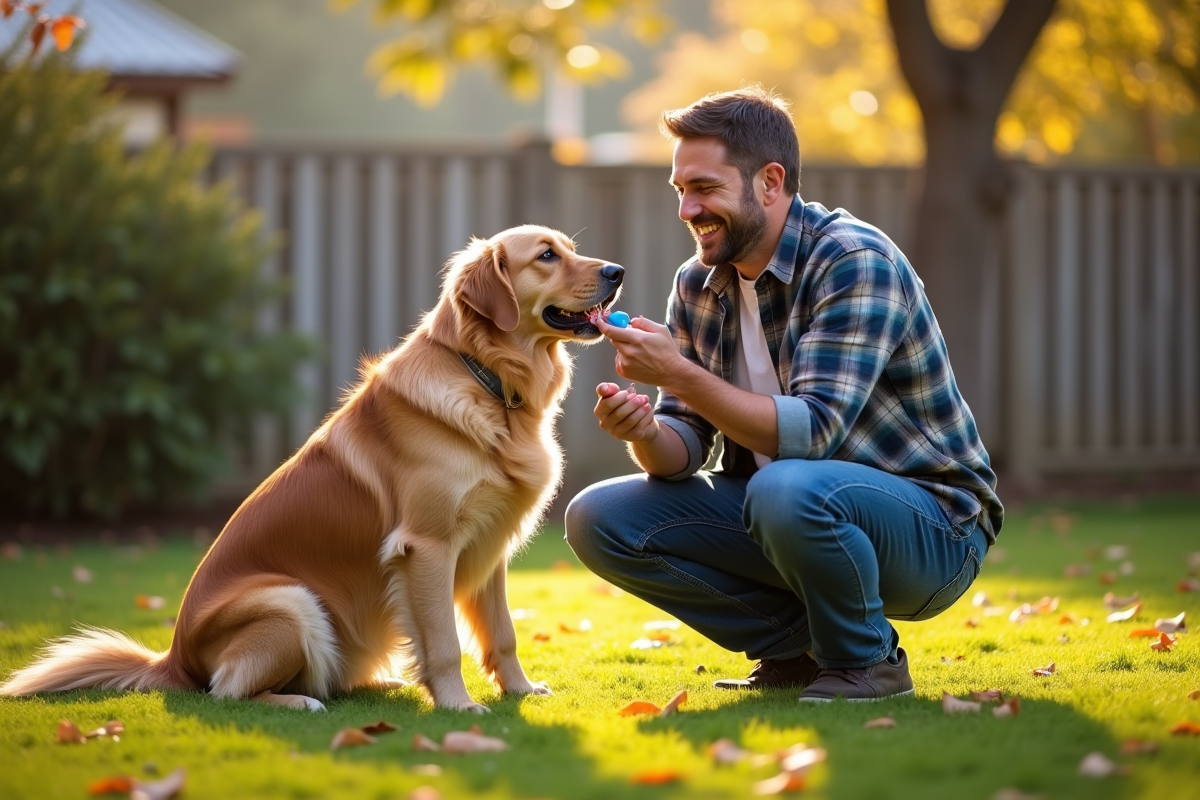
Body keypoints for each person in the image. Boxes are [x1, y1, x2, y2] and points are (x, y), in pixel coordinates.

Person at [564, 86, 1002, 702]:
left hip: (934, 530)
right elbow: (683, 451)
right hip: (784, 510)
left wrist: (677, 372)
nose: (687, 209)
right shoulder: (698, 284)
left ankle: (866, 662)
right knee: (599, 517)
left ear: (770, 182)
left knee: (784, 486)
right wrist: (645, 432)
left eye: (705, 188)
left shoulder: (853, 260)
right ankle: (791, 651)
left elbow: (811, 433)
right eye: (680, 190)